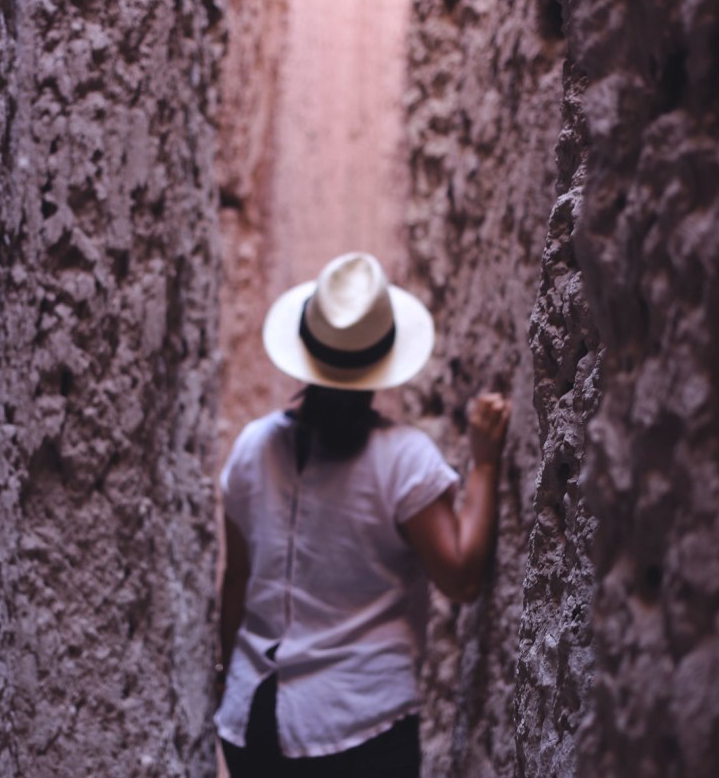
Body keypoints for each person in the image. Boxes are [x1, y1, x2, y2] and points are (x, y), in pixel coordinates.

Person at [215, 252, 510, 777]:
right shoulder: (402, 460)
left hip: (253, 715)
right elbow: (461, 577)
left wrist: (226, 679)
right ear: (381, 364)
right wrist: (485, 464)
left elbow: (236, 580)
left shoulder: (252, 448)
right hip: (361, 723)